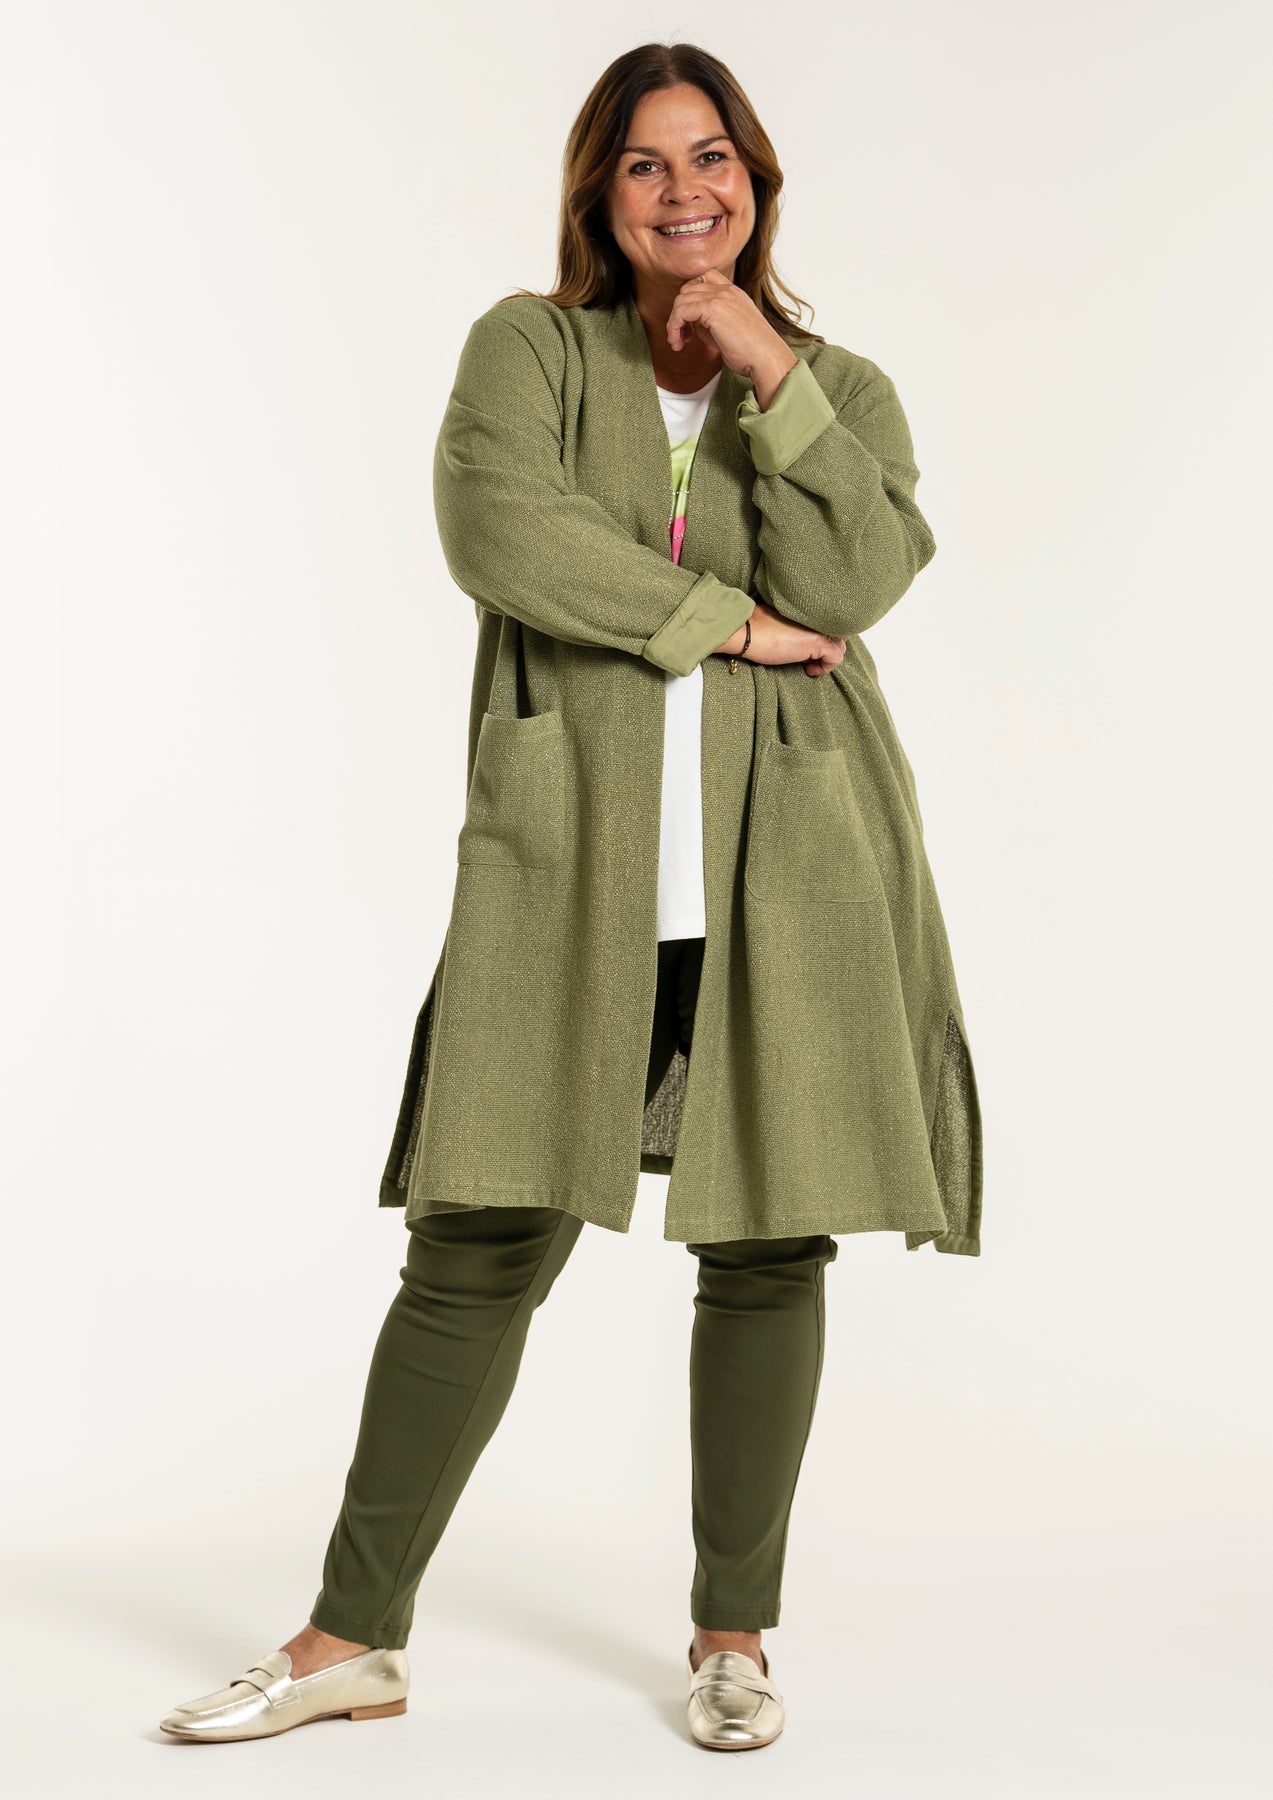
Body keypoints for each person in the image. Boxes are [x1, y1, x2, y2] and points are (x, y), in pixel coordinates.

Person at [160, 38, 981, 1753]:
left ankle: (733, 1635)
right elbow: (501, 533)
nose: (685, 192)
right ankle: (349, 1639)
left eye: (712, 159)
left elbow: (856, 576)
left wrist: (767, 367)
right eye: (645, 164)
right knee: (475, 1238)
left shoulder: (839, 385)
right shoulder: (528, 349)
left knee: (768, 1239)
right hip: (572, 864)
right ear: (599, 193)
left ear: (755, 180)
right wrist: (728, 625)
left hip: (794, 866)